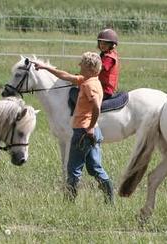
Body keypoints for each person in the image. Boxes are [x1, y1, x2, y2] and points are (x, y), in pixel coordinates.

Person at [34, 52, 114, 203]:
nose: (79, 66)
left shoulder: (90, 85)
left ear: (89, 68)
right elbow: (65, 75)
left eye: (82, 64)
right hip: (89, 131)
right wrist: (44, 67)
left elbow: (96, 106)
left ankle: (68, 202)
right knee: (94, 167)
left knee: (73, 169)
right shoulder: (86, 80)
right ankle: (109, 199)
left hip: (83, 132)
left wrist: (89, 127)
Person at [96, 28, 120, 98]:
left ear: (112, 45)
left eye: (106, 43)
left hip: (106, 90)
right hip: (101, 87)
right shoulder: (105, 54)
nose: (102, 45)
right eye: (101, 43)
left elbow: (96, 69)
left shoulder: (109, 58)